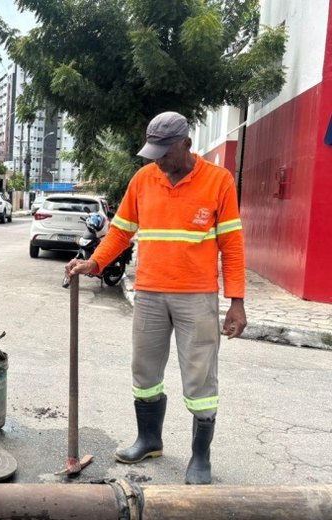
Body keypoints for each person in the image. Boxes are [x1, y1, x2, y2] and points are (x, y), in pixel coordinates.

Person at [65, 111, 247, 485]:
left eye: (166, 152)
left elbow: (231, 244)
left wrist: (237, 301)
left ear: (187, 144)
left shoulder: (219, 181)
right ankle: (149, 439)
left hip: (196, 296)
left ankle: (200, 456)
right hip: (148, 293)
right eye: (154, 153)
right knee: (144, 370)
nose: (159, 160)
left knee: (200, 379)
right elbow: (121, 231)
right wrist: (95, 262)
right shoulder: (144, 179)